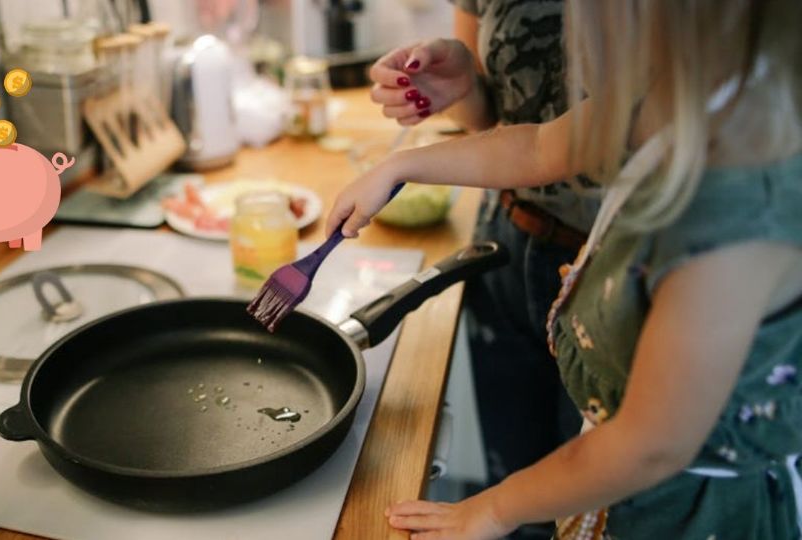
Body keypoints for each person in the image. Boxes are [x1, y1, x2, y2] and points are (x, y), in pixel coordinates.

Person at [327, 0, 802, 537]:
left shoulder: (732, 220)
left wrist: (493, 508)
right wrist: (399, 167)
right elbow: (536, 147)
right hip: (618, 485)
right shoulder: (678, 96)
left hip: (685, 512)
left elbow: (648, 447)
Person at [367, 3, 591, 537]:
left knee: (580, 504)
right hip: (508, 244)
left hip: (610, 267)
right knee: (510, 477)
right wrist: (463, 86)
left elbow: (639, 450)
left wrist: (402, 166)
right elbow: (512, 126)